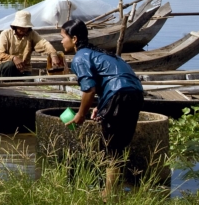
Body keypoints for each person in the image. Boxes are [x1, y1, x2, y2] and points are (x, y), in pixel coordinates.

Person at [61, 19, 144, 198]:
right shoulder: (99, 52)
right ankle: (115, 191)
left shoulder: (80, 57)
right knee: (119, 145)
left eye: (63, 37)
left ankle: (108, 195)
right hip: (136, 93)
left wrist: (81, 115)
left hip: (118, 95)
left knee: (111, 147)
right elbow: (109, 79)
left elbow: (89, 90)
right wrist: (101, 106)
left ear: (74, 39)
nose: (61, 41)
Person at [0, 10, 63, 77]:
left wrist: (54, 55)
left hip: (24, 69)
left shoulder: (32, 34)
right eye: (21, 27)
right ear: (15, 26)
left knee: (29, 81)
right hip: (6, 68)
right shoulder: (5, 34)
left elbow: (44, 44)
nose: (24, 29)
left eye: (25, 27)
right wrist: (13, 58)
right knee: (10, 65)